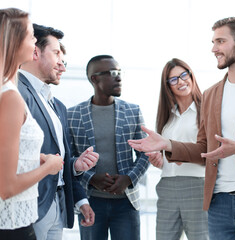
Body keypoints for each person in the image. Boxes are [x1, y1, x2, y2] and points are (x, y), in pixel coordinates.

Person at [129, 17, 235, 239]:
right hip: (219, 204)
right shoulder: (211, 94)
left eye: (220, 41)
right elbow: (204, 149)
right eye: (214, 42)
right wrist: (168, 144)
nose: (214, 49)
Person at [17, 24, 99, 240]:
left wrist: (75, 166)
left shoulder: (58, 106)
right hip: (29, 206)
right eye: (56, 55)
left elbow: (59, 158)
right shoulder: (14, 93)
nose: (62, 66)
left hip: (58, 205)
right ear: (35, 52)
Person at [67, 55, 150, 240]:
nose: (119, 77)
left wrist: (128, 178)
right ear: (94, 78)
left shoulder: (133, 111)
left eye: (119, 72)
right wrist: (91, 178)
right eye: (112, 73)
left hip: (126, 203)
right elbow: (69, 158)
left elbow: (145, 154)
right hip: (90, 202)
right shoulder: (72, 115)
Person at [0, 8, 63, 239]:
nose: (34, 41)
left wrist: (37, 157)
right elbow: (6, 188)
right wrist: (49, 167)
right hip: (12, 226)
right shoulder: (9, 96)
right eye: (30, 35)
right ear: (13, 41)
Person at [146, 58, 208, 240]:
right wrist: (158, 159)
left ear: (191, 75)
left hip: (196, 185)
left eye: (183, 75)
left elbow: (209, 150)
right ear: (168, 86)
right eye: (174, 79)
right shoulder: (168, 116)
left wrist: (181, 153)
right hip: (167, 186)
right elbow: (167, 153)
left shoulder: (205, 110)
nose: (181, 82)